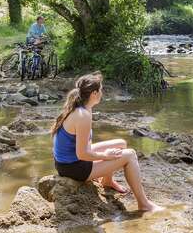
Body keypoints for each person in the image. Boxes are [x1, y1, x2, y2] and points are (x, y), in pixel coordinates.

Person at [51, 71, 163, 212]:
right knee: (129, 155)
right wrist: (105, 155)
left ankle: (107, 181)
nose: (102, 93)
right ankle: (144, 204)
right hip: (72, 167)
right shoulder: (82, 115)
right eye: (101, 90)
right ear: (94, 93)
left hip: (67, 161)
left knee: (121, 143)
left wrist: (104, 155)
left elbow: (82, 147)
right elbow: (82, 154)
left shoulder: (83, 107)